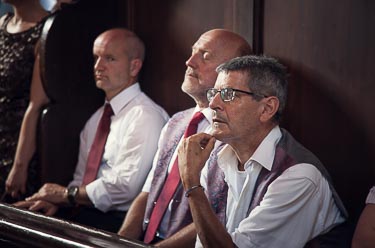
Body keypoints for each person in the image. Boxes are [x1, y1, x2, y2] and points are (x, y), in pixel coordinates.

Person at [178, 55, 348, 247]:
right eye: (213, 94)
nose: (213, 105)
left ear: (267, 108)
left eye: (228, 94)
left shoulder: (299, 176)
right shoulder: (214, 155)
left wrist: (192, 183)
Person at [14, 28, 169, 233]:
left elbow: (125, 188)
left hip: (122, 224)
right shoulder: (95, 119)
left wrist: (66, 194)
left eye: (110, 58)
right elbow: (81, 179)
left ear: (134, 67)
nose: (98, 66)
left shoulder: (146, 116)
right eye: (96, 57)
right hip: (85, 213)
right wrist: (60, 201)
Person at [117, 29, 252, 246]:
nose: (189, 61)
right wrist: (119, 242)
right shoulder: (176, 122)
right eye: (192, 52)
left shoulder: (234, 135)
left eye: (205, 56)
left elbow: (220, 217)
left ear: (232, 71)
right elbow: (148, 192)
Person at [0, 0, 49, 202]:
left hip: (19, 145)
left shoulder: (46, 30)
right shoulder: (3, 22)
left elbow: (36, 104)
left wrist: (19, 165)